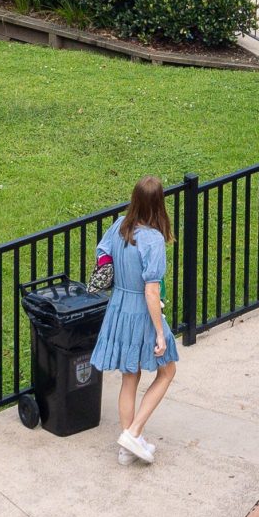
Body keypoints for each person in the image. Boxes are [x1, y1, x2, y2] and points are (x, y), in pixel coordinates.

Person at [91, 176, 179, 464]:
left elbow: (102, 252)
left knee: (130, 376)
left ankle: (126, 448)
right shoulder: (152, 240)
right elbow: (152, 290)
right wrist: (159, 332)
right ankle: (134, 432)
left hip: (118, 306)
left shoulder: (119, 226)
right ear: (159, 204)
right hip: (142, 311)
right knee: (167, 372)